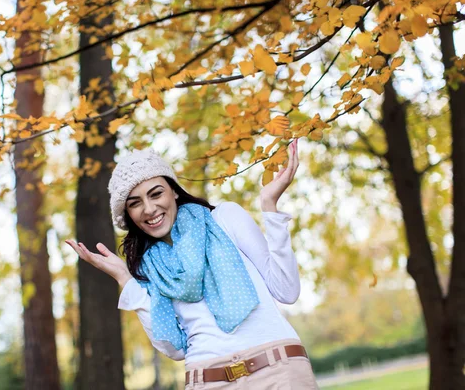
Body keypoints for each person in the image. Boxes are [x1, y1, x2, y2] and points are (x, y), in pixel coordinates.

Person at [65, 140, 319, 389]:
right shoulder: (147, 267)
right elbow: (175, 349)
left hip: (279, 371)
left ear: (174, 190)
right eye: (135, 203)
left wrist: (270, 209)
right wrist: (125, 279)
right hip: (207, 379)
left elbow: (286, 290)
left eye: (156, 194)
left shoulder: (225, 218)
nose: (150, 208)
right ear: (127, 214)